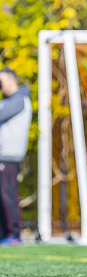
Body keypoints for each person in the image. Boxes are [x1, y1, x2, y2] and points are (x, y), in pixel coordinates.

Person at [0, 67, 33, 246]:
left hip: (9, 157)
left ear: (12, 81)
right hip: (2, 157)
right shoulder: (7, 101)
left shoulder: (19, 100)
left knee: (8, 196)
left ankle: (14, 235)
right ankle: (4, 235)